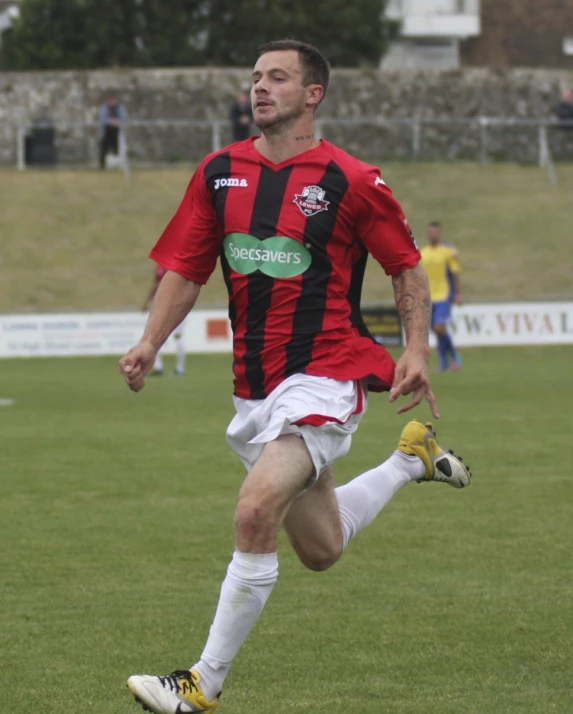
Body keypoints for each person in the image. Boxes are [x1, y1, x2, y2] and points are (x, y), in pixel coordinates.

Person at [119, 40, 472, 714]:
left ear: (313, 94)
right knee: (319, 548)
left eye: (276, 77)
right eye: (253, 76)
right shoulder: (218, 172)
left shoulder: (351, 179)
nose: (259, 88)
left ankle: (200, 683)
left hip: (326, 373)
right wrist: (148, 342)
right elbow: (186, 268)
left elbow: (404, 267)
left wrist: (416, 348)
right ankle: (409, 462)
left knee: (253, 512)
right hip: (254, 389)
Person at [420, 221, 462, 372]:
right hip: (428, 297)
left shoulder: (448, 251)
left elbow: (455, 273)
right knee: (436, 330)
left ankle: (454, 356)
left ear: (440, 233)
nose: (433, 235)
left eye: (435, 232)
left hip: (444, 295)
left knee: (439, 326)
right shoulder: (423, 253)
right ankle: (444, 362)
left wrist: (457, 293)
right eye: (430, 232)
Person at [142, 262, 186, 377]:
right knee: (155, 337)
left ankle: (178, 368)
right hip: (166, 305)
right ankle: (159, 367)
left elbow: (157, 285)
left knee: (176, 337)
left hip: (177, 305)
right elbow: (156, 284)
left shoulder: (178, 264)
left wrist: (146, 302)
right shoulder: (161, 266)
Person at [99, 93, 127, 169]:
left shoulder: (120, 108)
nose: (112, 102)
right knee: (103, 149)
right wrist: (111, 122)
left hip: (117, 132)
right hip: (106, 133)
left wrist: (117, 122)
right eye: (110, 100)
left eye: (114, 100)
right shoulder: (104, 108)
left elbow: (123, 118)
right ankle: (102, 166)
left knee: (118, 149)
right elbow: (103, 119)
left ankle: (119, 166)